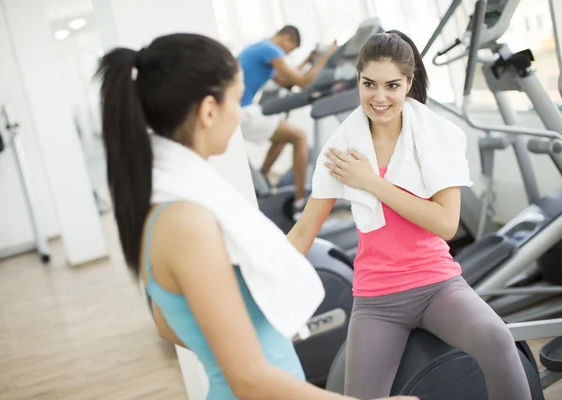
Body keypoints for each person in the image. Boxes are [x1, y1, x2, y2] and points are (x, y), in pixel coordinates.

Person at [95, 32, 416, 400]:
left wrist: (242, 341)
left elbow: (168, 324)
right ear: (209, 111)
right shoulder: (186, 221)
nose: (240, 114)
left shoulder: (172, 202)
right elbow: (248, 379)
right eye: (237, 99)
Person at [287, 30, 533, 400]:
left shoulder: (435, 136)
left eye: (392, 85)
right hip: (377, 299)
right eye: (369, 84)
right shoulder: (341, 148)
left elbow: (446, 224)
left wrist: (371, 182)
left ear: (409, 82)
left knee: (497, 339)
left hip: (437, 286)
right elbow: (305, 230)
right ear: (358, 81)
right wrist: (250, 285)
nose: (380, 97)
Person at [237, 25, 338, 220]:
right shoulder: (270, 49)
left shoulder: (260, 48)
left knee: (283, 136)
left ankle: (263, 177)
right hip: (242, 112)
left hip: (241, 110)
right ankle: (300, 204)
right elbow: (302, 82)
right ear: (286, 38)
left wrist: (309, 61)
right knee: (299, 137)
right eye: (290, 50)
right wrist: (324, 58)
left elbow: (285, 81)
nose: (287, 54)